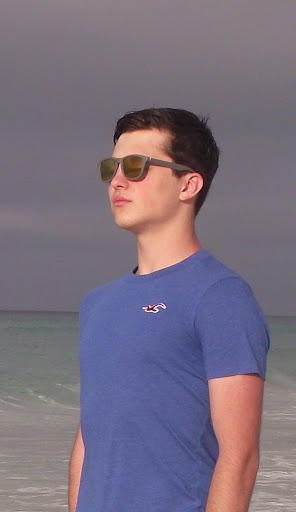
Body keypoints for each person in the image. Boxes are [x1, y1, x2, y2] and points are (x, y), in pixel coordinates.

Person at [68, 108, 270, 512]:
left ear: (188, 184)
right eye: (111, 167)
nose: (117, 180)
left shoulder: (221, 296)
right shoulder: (97, 304)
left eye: (136, 166)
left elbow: (240, 456)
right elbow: (89, 439)